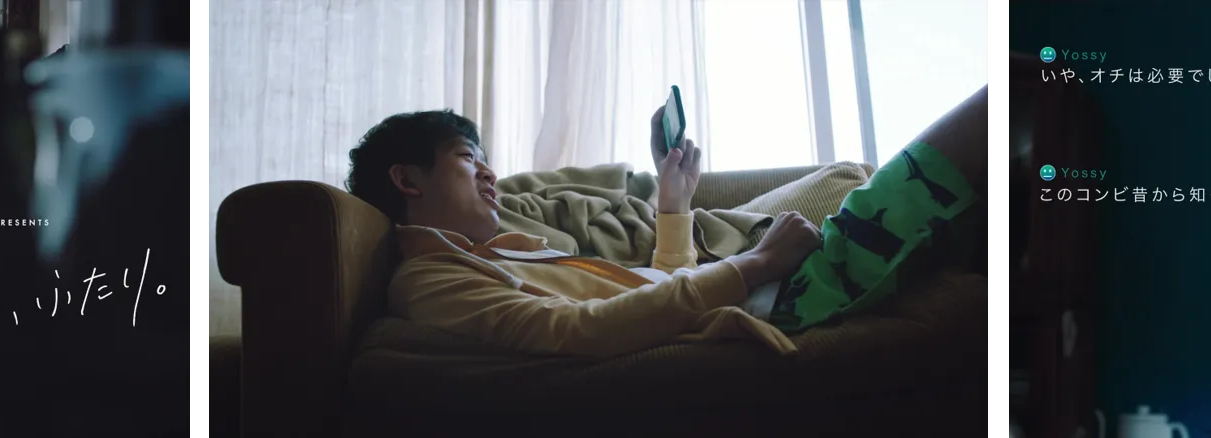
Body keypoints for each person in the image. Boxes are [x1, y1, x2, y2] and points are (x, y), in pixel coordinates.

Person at [343, 85, 991, 357]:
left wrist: (673, 201)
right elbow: (577, 332)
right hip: (780, 302)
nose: (489, 174)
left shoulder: (508, 252)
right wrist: (756, 264)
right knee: (984, 117)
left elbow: (658, 292)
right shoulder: (429, 279)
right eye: (467, 158)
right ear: (407, 180)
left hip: (763, 288)